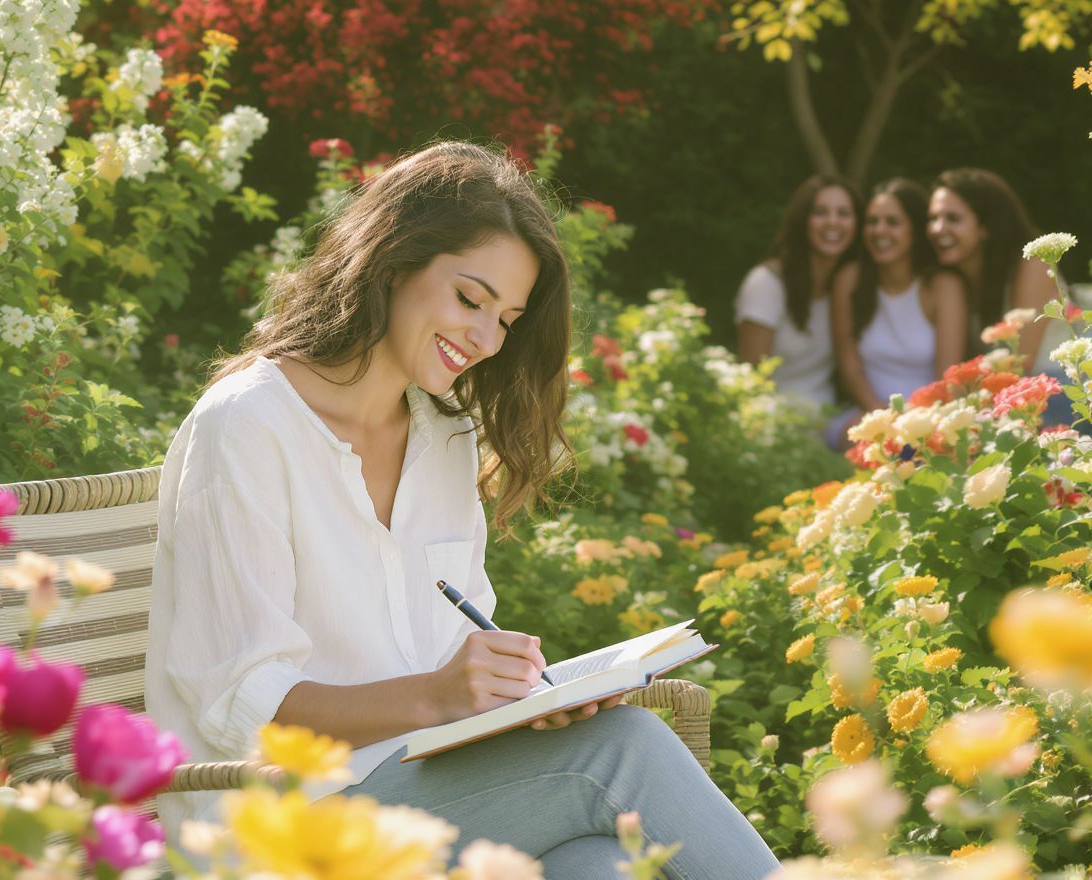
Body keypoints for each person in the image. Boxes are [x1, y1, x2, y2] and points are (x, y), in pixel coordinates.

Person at [144, 142, 779, 880]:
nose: (485, 339)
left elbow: (452, 655)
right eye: (471, 299)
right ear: (392, 261)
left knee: (601, 865)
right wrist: (439, 695)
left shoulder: (443, 435)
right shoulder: (247, 427)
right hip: (274, 828)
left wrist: (522, 701)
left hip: (417, 794)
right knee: (625, 751)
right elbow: (241, 707)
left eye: (507, 318)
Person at [826, 179, 968, 447]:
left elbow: (947, 378)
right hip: (868, 416)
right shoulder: (849, 280)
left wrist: (912, 426)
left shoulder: (943, 286)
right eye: (872, 221)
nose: (879, 231)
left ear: (914, 231)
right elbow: (850, 369)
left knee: (914, 457)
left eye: (892, 222)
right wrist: (883, 420)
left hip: (932, 417)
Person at [736, 174, 862, 410]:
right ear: (803, 220)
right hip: (775, 427)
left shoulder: (847, 287)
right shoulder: (766, 284)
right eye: (820, 212)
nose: (832, 222)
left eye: (843, 213)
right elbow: (751, 383)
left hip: (829, 423)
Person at [928, 168, 1069, 372]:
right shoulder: (955, 282)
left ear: (986, 227)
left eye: (953, 218)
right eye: (933, 218)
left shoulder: (1032, 268)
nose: (937, 229)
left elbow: (1019, 366)